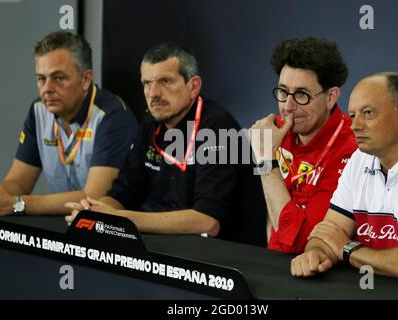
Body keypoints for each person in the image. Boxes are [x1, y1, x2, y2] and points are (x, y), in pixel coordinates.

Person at [66, 42, 267, 246]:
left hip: (233, 255)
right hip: (183, 247)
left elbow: (206, 221)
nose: (154, 93)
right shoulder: (151, 124)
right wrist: (93, 211)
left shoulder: (219, 127)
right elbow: (123, 193)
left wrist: (117, 219)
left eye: (166, 81)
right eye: (147, 83)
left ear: (194, 86)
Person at [291, 72, 398, 285]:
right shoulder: (361, 158)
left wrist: (346, 248)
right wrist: (316, 253)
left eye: (368, 113)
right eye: (352, 115)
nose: (354, 125)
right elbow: (329, 231)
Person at [0, 31, 138, 216]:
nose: (47, 89)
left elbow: (93, 198)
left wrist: (16, 204)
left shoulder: (112, 116)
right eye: (41, 78)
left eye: (58, 78)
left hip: (115, 231)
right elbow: (18, 183)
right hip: (66, 224)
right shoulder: (38, 111)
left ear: (85, 79)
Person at [249, 37, 357, 254]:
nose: (288, 106)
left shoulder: (352, 149)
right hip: (271, 258)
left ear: (331, 97)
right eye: (282, 92)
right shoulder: (275, 131)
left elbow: (298, 243)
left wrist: (265, 160)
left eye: (301, 95)